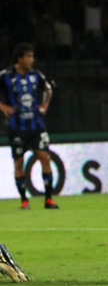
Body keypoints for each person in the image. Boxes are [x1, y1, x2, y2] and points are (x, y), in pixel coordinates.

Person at [0, 43, 60, 210]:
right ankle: (24, 201)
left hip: (36, 126)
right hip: (16, 127)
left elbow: (48, 89)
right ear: (19, 59)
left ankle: (48, 200)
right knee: (19, 162)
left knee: (44, 157)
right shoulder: (5, 76)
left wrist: (45, 105)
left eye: (32, 56)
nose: (31, 60)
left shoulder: (35, 75)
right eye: (28, 57)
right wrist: (3, 106)